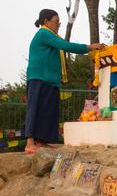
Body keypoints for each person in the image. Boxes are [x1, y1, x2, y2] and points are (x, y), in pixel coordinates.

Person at [25, 9, 106, 154]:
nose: (58, 25)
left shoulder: (52, 36)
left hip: (51, 80)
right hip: (38, 77)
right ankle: (30, 143)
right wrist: (89, 47)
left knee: (48, 111)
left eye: (59, 22)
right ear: (46, 21)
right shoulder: (44, 34)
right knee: (35, 109)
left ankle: (42, 142)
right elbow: (67, 46)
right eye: (56, 22)